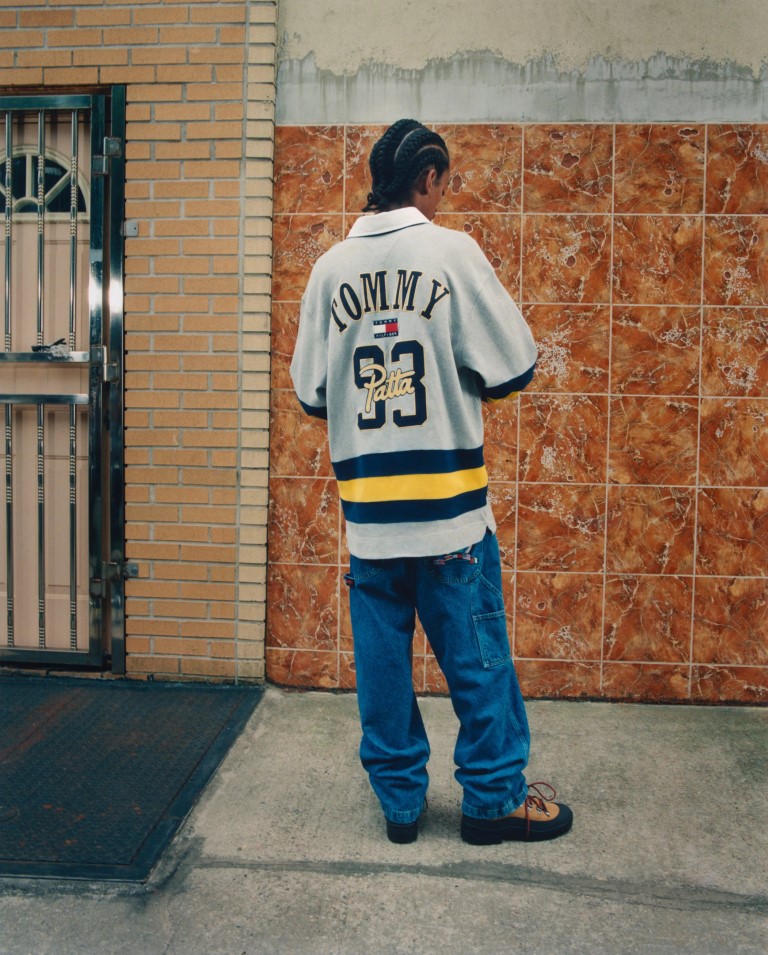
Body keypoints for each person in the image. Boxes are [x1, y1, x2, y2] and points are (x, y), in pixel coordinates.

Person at [290, 119, 573, 846]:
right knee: (478, 663)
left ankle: (400, 807)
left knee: (383, 673)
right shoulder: (452, 253)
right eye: (443, 183)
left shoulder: (329, 270)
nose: (444, 195)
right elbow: (515, 364)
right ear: (427, 177)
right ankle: (493, 801)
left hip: (370, 523)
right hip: (451, 518)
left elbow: (312, 392)